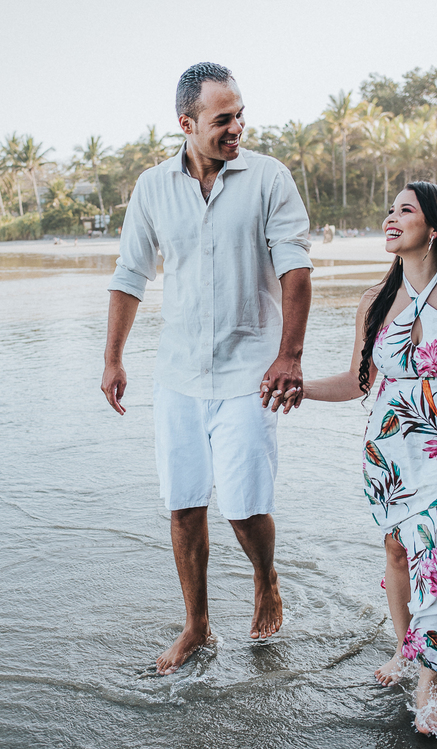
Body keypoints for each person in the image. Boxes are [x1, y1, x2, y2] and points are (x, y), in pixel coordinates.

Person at [265, 182, 437, 735]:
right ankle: (406, 649)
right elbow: (360, 384)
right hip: (392, 453)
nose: (390, 218)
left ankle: (429, 679)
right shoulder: (375, 301)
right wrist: (298, 388)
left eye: (405, 210)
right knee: (400, 551)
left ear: (433, 226)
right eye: (389, 209)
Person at [102, 62, 313, 676]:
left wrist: (289, 356)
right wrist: (113, 356)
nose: (236, 128)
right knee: (184, 504)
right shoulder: (152, 188)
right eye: (223, 119)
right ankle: (197, 626)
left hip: (252, 371)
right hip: (179, 376)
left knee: (245, 505)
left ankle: (265, 578)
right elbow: (130, 276)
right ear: (186, 123)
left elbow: (295, 271)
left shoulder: (270, 178)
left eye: (240, 115)